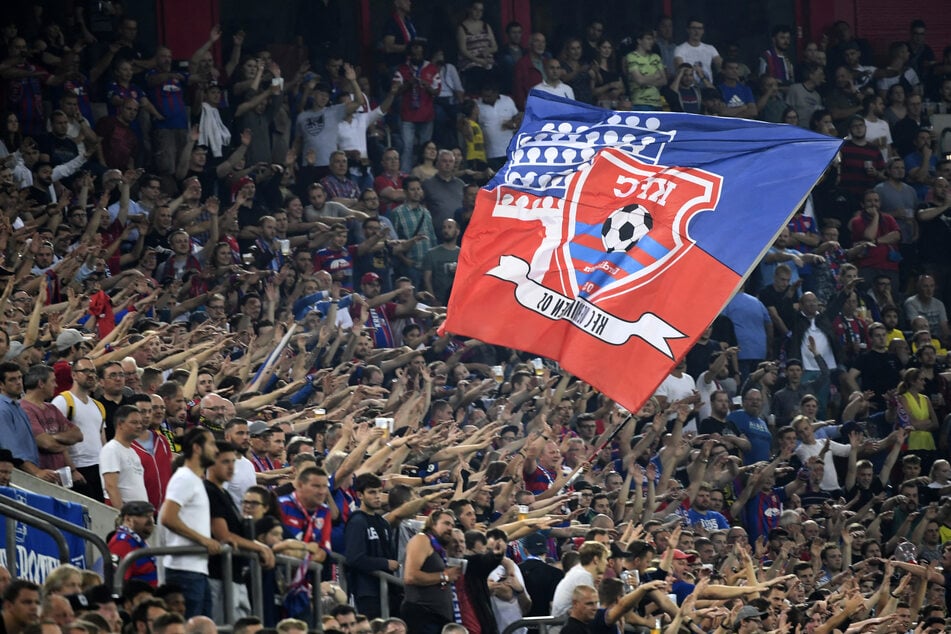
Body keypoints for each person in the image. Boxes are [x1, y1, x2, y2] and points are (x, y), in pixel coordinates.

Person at [158, 427, 220, 619]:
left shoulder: (194, 480)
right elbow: (168, 517)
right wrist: (204, 540)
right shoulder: (184, 478)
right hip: (184, 569)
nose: (216, 450)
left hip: (196, 569)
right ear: (197, 448)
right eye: (211, 444)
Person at [344, 473, 400, 619]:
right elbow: (354, 558)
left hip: (388, 590)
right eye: (371, 492)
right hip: (367, 591)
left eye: (379, 491)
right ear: (359, 495)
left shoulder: (382, 523)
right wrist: (385, 563)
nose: (377, 496)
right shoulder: (357, 521)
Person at [401, 509, 462, 634]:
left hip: (438, 617)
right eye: (446, 523)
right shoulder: (421, 539)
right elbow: (410, 576)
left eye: (452, 525)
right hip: (422, 614)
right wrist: (444, 576)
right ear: (432, 523)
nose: (450, 528)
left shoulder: (438, 548)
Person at [0, 362, 59, 484]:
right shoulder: (2, 410)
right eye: (12, 379)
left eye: (19, 377)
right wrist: (36, 472)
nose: (18, 382)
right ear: (1, 385)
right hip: (18, 476)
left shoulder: (17, 406)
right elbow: (11, 452)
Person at [99, 405, 147, 508]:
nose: (139, 426)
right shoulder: (111, 449)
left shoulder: (133, 452)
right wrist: (123, 516)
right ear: (120, 424)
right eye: (134, 422)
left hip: (138, 513)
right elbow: (111, 486)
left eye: (140, 423)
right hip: (127, 515)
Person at [551, 541, 609, 618]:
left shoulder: (578, 571)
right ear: (596, 559)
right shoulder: (583, 576)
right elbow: (592, 609)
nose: (607, 563)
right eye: (604, 558)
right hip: (563, 627)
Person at [108, 500, 158, 587]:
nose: (151, 521)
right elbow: (118, 582)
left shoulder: (136, 540)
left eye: (152, 516)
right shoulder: (122, 543)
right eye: (145, 516)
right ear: (128, 519)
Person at [673, 18, 721, 85]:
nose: (697, 31)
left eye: (699, 28)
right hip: (690, 88)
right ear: (688, 30)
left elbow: (721, 66)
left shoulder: (710, 48)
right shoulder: (679, 49)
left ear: (703, 31)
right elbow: (680, 69)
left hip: (708, 88)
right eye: (693, 28)